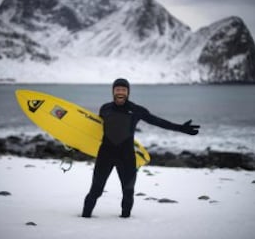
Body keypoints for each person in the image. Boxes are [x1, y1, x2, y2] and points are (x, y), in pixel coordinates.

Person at [82, 78, 200, 218]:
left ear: (128, 92)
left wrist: (180, 128)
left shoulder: (136, 110)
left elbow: (157, 121)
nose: (120, 92)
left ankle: (125, 219)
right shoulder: (105, 108)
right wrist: (77, 143)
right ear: (113, 91)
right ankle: (85, 217)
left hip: (126, 156)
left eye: (123, 90)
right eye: (118, 89)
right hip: (105, 155)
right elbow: (95, 129)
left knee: (128, 190)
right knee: (96, 190)